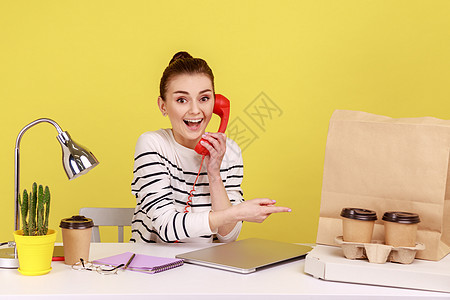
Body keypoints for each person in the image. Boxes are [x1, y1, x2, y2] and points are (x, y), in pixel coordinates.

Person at [130, 51, 291, 243]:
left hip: (205, 268)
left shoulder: (229, 151)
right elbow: (166, 227)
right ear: (163, 106)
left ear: (216, 103)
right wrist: (236, 213)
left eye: (204, 98)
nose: (195, 110)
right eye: (182, 100)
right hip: (151, 267)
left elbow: (227, 237)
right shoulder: (152, 144)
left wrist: (214, 172)